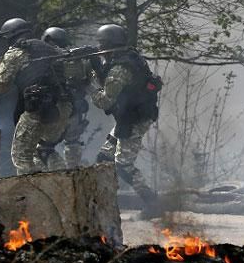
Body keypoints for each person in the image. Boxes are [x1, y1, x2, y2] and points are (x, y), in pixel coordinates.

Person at [0, 18, 72, 175]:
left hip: (38, 109)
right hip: (62, 108)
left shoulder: (16, 52)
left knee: (21, 157)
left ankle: (32, 194)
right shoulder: (49, 49)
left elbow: (0, 85)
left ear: (11, 36)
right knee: (43, 151)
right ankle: (59, 186)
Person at [90, 24, 162, 218]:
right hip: (130, 116)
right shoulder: (128, 57)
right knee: (104, 158)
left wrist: (91, 83)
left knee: (123, 165)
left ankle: (152, 202)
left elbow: (105, 100)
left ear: (107, 44)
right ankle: (100, 203)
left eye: (100, 45)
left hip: (134, 120)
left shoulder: (121, 67)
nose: (98, 49)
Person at [36, 27, 95, 170]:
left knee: (44, 149)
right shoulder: (78, 60)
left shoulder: (47, 61)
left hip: (57, 111)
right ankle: (73, 174)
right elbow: (89, 80)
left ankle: (60, 175)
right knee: (73, 143)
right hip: (76, 110)